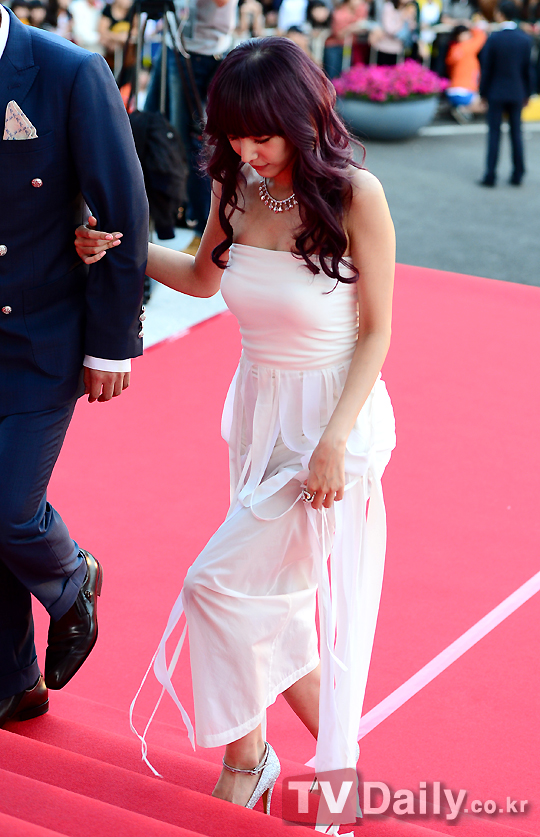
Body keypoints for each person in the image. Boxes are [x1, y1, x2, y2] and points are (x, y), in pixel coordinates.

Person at [75, 37, 395, 826]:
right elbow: (200, 277)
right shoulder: (236, 185)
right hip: (259, 415)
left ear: (302, 118)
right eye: (234, 135)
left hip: (333, 421)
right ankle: (334, 765)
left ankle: (250, 762)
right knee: (269, 605)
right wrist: (117, 248)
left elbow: (378, 331)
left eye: (263, 135)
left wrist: (334, 441)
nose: (249, 151)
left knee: (215, 585)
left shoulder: (356, 195)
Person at [0, 4, 148, 728]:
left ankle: (71, 575)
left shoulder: (68, 70)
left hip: (40, 338)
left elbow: (123, 211)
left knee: (8, 508)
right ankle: (14, 682)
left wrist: (112, 342)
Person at [144, 0, 239, 255]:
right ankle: (151, 214)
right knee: (145, 125)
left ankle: (203, 230)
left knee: (186, 142)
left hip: (199, 54)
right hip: (173, 43)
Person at [479, 0, 533, 185]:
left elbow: (487, 69)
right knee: (516, 133)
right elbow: (528, 70)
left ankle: (490, 175)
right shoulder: (524, 39)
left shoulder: (494, 38)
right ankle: (518, 173)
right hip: (517, 91)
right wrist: (528, 93)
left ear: (500, 14)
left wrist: (483, 93)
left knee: (494, 134)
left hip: (496, 91)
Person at [445, 23, 487, 122]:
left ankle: (461, 109)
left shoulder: (453, 50)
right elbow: (481, 36)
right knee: (485, 106)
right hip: (466, 91)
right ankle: (463, 110)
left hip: (452, 91)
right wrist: (471, 25)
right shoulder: (467, 47)